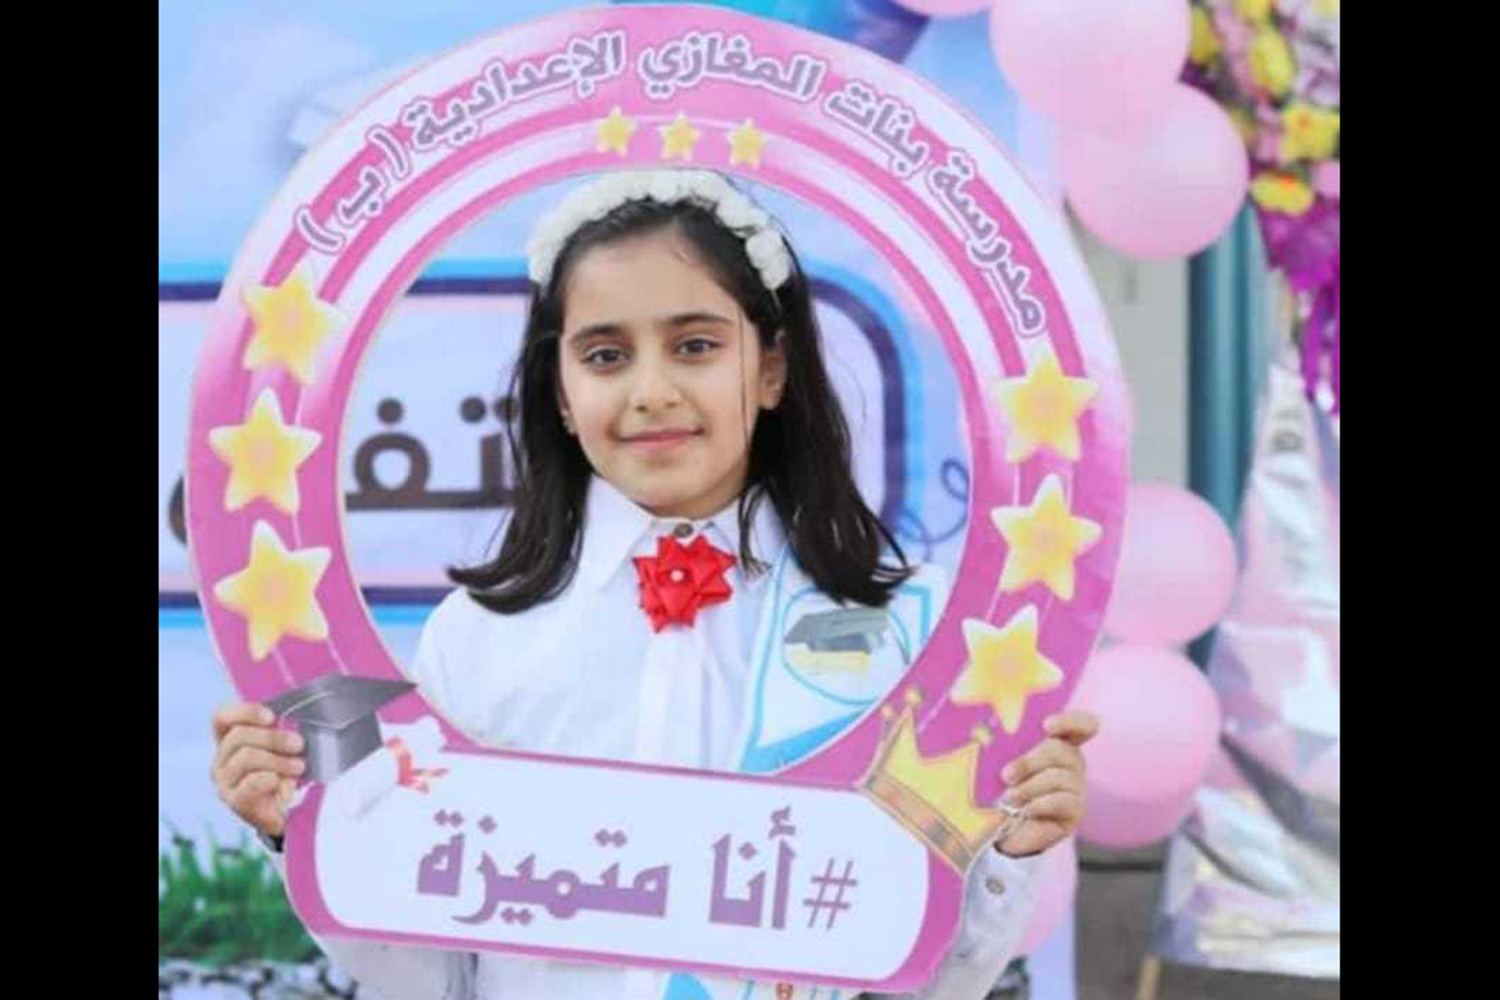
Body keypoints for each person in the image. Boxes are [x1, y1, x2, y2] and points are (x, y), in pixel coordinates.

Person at [211, 169, 1098, 1000]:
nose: (651, 391)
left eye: (695, 345)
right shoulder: (476, 639)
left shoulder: (906, 628)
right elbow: (431, 975)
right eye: (605, 356)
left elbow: (928, 970)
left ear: (772, 368)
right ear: (561, 393)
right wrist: (301, 826)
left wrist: (1011, 851)